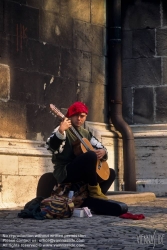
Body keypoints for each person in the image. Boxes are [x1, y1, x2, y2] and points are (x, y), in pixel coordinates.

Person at [46, 101, 116, 200]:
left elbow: (100, 146)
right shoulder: (63, 128)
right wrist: (61, 131)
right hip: (65, 171)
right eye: (76, 115)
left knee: (111, 173)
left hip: (83, 171)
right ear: (70, 116)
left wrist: (103, 151)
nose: (79, 118)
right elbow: (51, 148)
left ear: (86, 117)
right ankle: (94, 191)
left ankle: (93, 199)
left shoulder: (86, 133)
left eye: (82, 116)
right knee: (91, 155)